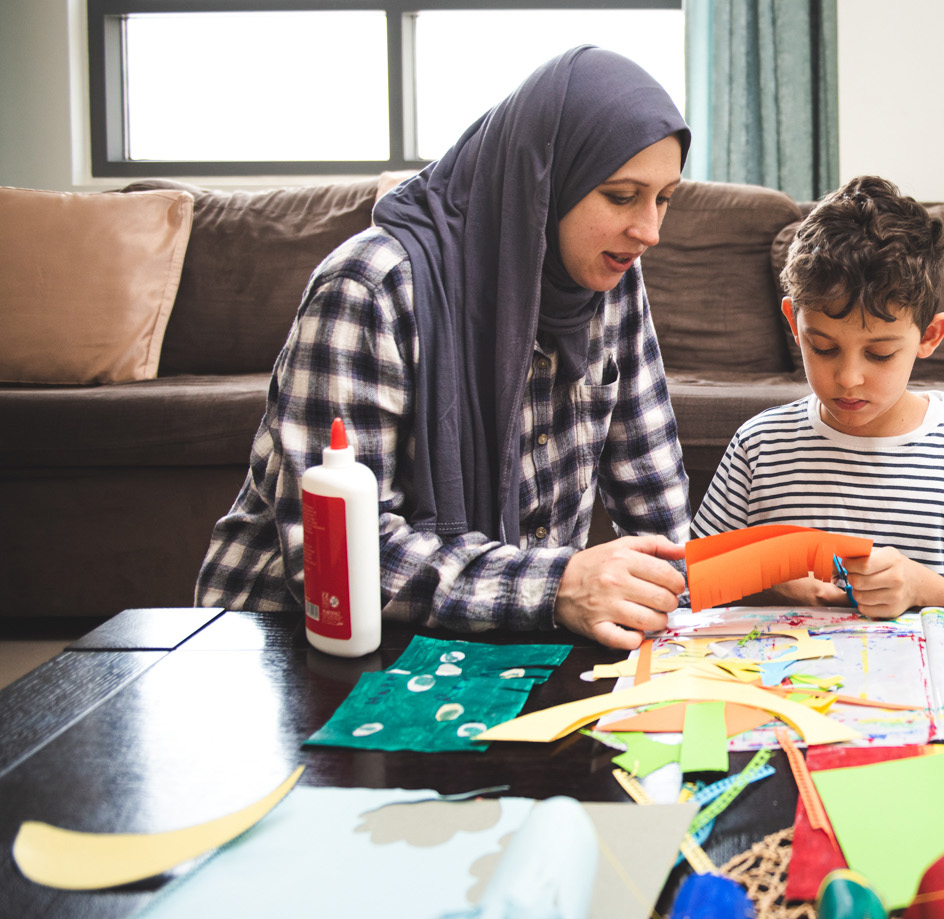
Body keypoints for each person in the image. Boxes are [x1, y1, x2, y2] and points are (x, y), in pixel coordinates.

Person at [196, 47, 690, 650]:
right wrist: (558, 585)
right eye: (621, 196)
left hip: (500, 633)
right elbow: (337, 558)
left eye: (663, 198)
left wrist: (705, 586)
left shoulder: (612, 279)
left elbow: (653, 490)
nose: (649, 231)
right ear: (544, 178)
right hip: (291, 641)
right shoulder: (370, 286)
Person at [690, 175, 944, 618]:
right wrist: (772, 585)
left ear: (930, 336)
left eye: (880, 354)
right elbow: (699, 584)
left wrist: (923, 588)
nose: (848, 379)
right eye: (822, 347)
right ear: (794, 323)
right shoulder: (759, 446)